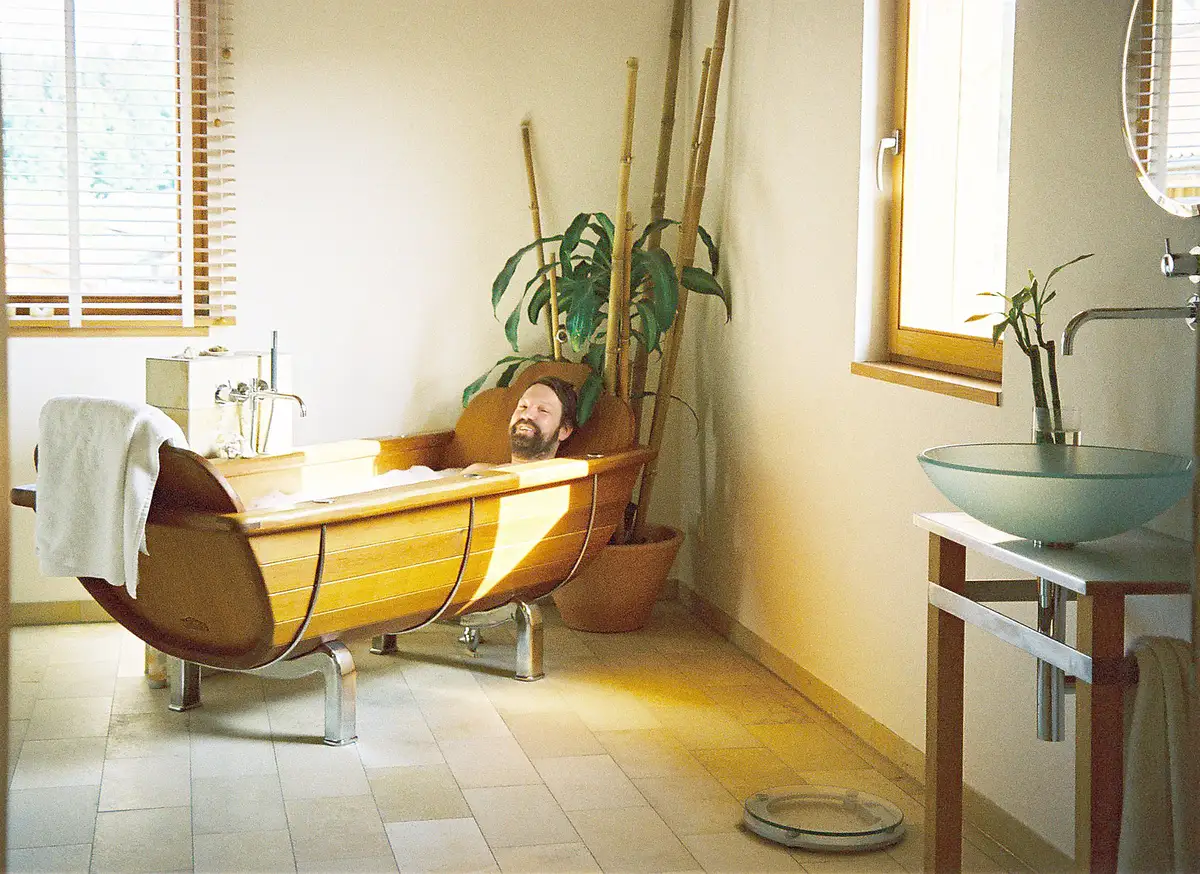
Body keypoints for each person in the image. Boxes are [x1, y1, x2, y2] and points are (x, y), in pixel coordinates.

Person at [462, 376, 577, 474]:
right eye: (523, 406)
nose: (527, 415)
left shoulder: (565, 486)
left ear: (564, 430)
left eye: (543, 410)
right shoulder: (476, 472)